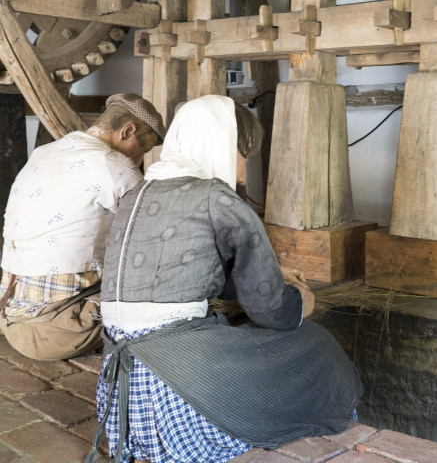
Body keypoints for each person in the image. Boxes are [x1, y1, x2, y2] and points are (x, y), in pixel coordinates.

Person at [89, 95, 361, 463]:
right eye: (243, 155)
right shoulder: (218, 198)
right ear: (221, 143)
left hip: (123, 393)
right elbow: (269, 310)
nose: (243, 173)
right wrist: (301, 300)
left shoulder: (136, 193)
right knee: (315, 345)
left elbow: (188, 271)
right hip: (175, 390)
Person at [0, 93, 166, 361]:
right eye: (142, 151)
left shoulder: (44, 152)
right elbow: (153, 233)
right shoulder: (113, 163)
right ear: (127, 131)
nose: (139, 161)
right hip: (55, 332)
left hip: (9, 318)